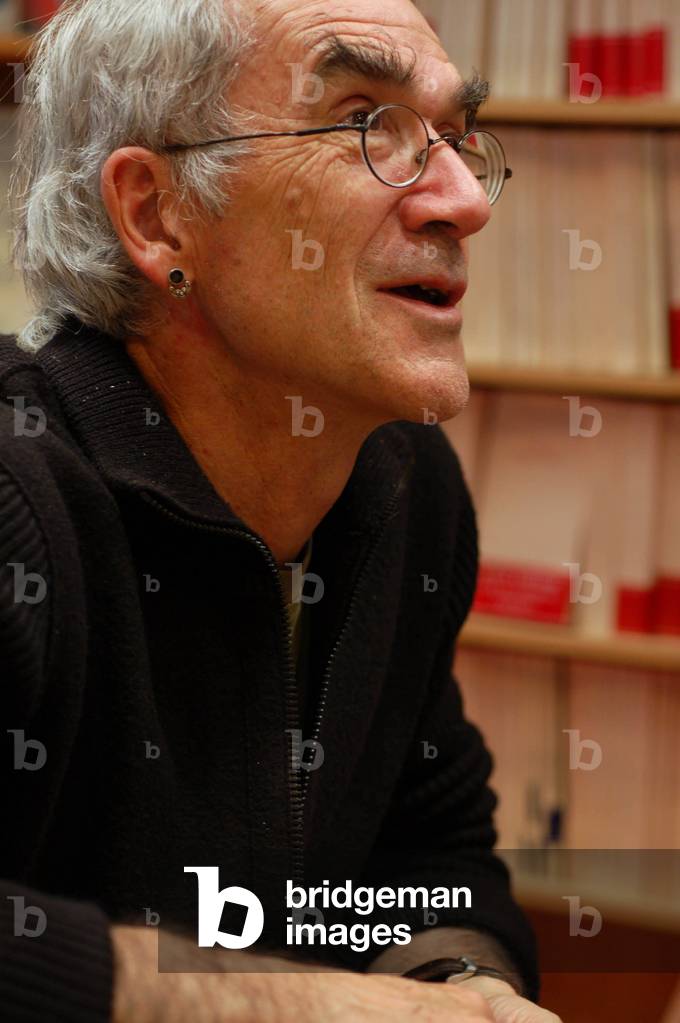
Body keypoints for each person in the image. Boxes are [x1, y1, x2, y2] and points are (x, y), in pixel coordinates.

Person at [0, 1, 561, 1020]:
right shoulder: (15, 501)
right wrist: (322, 1009)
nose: (462, 201)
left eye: (453, 136)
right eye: (362, 125)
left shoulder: (403, 483)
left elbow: (422, 859)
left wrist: (463, 993)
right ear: (157, 214)